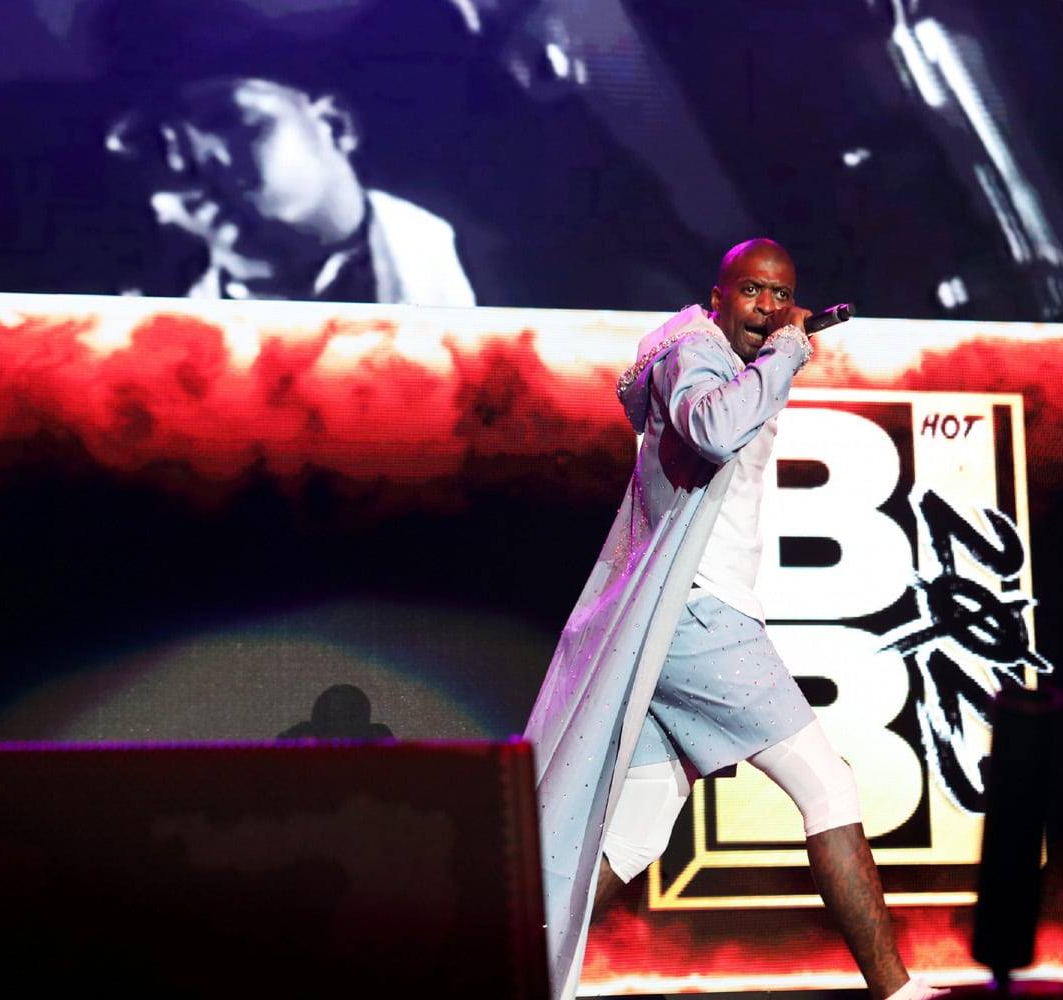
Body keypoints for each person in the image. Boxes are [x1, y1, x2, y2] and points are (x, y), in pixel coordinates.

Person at [525, 239, 952, 1000]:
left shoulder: (722, 359)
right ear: (716, 297)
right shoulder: (697, 353)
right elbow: (712, 428)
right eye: (751, 292)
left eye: (781, 297)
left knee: (636, 828)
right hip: (699, 615)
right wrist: (785, 356)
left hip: (679, 622)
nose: (768, 309)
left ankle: (512, 971)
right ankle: (896, 991)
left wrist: (773, 360)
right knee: (828, 786)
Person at [105, 75, 477, 306]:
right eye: (152, 146)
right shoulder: (144, 348)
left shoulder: (512, 271)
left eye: (222, 119)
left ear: (333, 124)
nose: (180, 161)